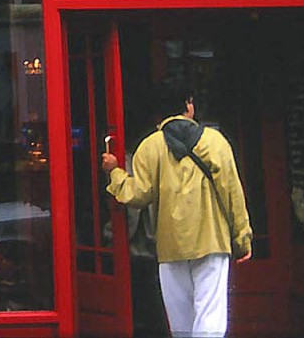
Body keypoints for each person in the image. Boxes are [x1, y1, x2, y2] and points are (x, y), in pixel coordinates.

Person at [101, 85, 252, 338]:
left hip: (170, 245)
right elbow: (232, 195)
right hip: (212, 240)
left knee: (180, 318)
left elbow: (136, 195)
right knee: (210, 315)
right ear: (188, 105)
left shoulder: (149, 147)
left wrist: (115, 172)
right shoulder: (216, 142)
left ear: (156, 116)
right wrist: (242, 238)